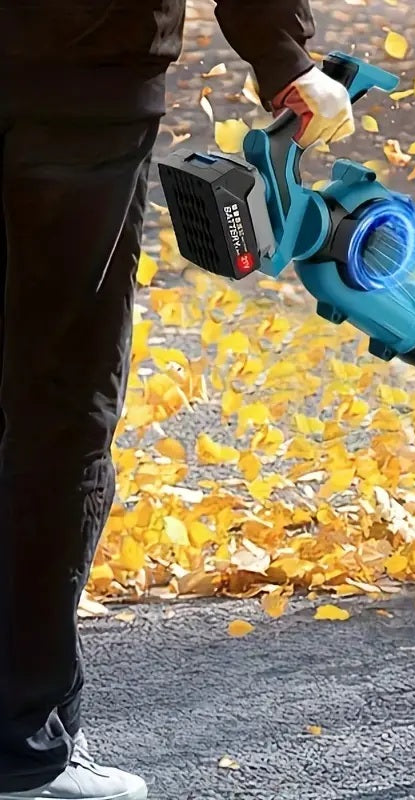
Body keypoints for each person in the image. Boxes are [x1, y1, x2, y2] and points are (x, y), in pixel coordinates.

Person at [0, 2, 355, 799]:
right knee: (57, 407)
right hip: (79, 87)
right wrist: (286, 57)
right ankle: (22, 747)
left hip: (79, 88)